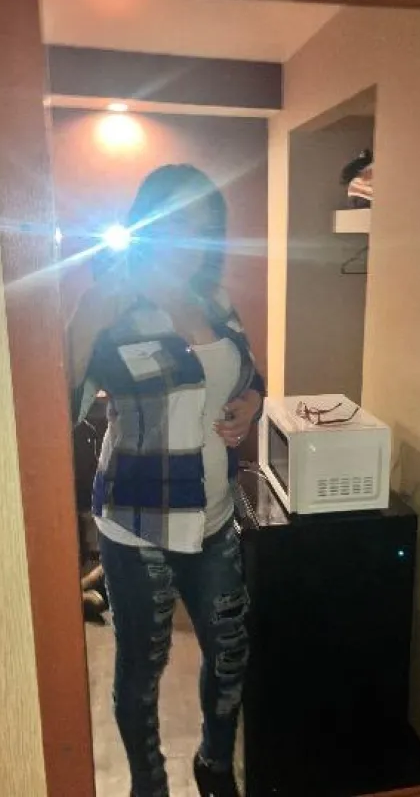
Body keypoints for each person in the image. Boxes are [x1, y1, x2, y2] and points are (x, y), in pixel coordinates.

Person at [66, 164, 265, 797]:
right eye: (176, 219)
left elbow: (248, 374)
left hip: (214, 518)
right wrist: (84, 323)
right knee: (142, 670)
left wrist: (252, 403)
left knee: (230, 652)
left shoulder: (216, 300)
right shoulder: (109, 304)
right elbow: (58, 409)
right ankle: (148, 784)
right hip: (137, 524)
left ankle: (214, 765)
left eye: (204, 223)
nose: (190, 236)